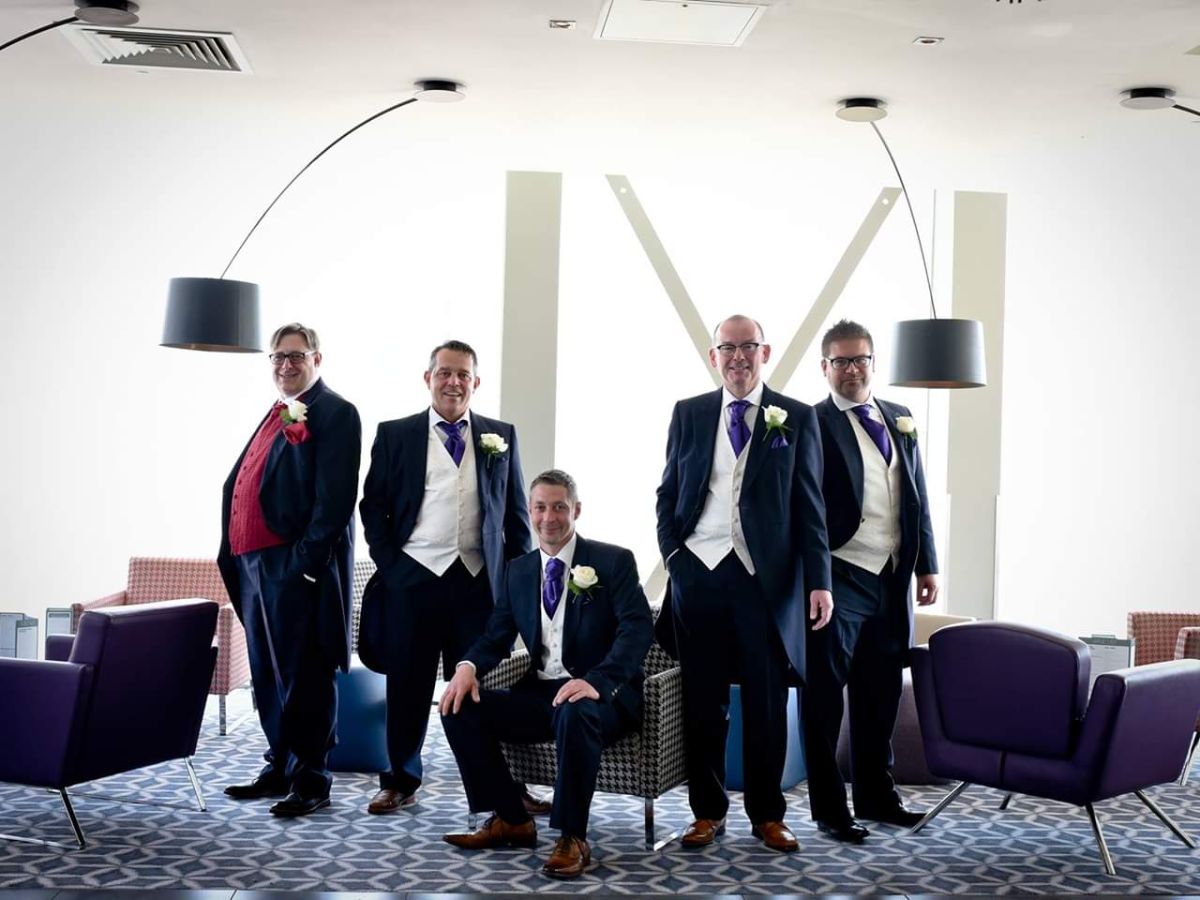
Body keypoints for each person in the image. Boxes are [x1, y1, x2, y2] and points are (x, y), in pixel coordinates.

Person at [655, 314, 833, 853]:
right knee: (702, 702)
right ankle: (707, 813)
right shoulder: (688, 413)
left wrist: (819, 581)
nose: (738, 357)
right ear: (714, 356)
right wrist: (675, 557)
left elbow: (811, 506)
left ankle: (767, 815)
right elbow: (668, 493)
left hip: (766, 583)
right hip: (699, 575)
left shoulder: (796, 417)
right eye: (727, 348)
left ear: (765, 352)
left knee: (766, 702)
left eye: (747, 346)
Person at [439, 469, 653, 878]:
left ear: (576, 510)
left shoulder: (613, 561)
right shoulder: (518, 570)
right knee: (457, 707)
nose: (548, 517)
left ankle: (572, 837)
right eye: (540, 507)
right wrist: (467, 667)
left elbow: (637, 628)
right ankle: (511, 818)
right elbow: (496, 636)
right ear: (530, 510)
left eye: (559, 507)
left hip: (602, 698)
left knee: (574, 710)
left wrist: (597, 681)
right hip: (540, 694)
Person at [358, 339, 533, 814]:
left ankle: (503, 787)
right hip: (412, 579)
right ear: (428, 378)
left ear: (476, 382)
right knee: (407, 685)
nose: (453, 382)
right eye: (444, 373)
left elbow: (516, 516)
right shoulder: (395, 434)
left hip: (477, 583)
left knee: (481, 688)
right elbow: (373, 507)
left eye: (463, 375)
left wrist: (518, 584)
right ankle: (399, 780)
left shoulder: (501, 435)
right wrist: (392, 566)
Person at [803, 319, 940, 843]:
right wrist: (816, 579)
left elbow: (916, 493)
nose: (852, 369)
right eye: (841, 361)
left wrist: (926, 562)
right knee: (825, 696)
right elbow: (807, 511)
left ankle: (877, 797)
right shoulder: (812, 422)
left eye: (860, 359)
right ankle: (829, 810)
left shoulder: (899, 416)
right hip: (838, 575)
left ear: (873, 362)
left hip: (892, 575)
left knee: (880, 691)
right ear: (825, 367)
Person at [218, 322, 361, 817]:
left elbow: (335, 500)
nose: (286, 364)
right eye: (278, 356)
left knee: (305, 674)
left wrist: (305, 565)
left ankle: (312, 778)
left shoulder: (336, 412)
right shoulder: (277, 410)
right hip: (252, 565)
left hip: (291, 566)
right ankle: (279, 764)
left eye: (296, 356)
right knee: (267, 673)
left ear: (317, 359)